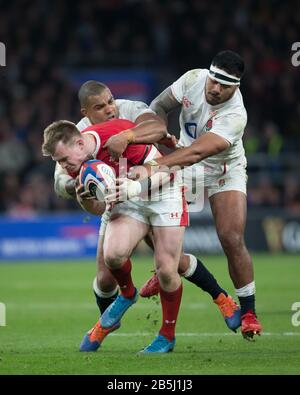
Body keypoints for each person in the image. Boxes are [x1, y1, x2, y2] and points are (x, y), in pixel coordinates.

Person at [54, 81, 241, 351]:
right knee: (107, 274)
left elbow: (157, 128)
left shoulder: (128, 108)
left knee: (170, 265)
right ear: (85, 112)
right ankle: (108, 319)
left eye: (110, 101)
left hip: (158, 183)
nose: (109, 109)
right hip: (122, 194)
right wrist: (79, 188)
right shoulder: (78, 136)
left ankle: (219, 298)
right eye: (100, 106)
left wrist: (129, 136)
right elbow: (61, 182)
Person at [105, 51, 262, 340]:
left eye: (224, 85)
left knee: (231, 237)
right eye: (214, 80)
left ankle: (249, 311)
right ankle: (172, 268)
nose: (215, 88)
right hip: (183, 160)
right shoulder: (193, 78)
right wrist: (158, 132)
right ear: (209, 73)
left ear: (236, 87)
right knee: (152, 219)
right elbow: (159, 105)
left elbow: (196, 153)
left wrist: (154, 166)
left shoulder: (235, 116)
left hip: (222, 170)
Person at [42, 118, 188, 353]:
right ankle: (128, 293)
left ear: (80, 144)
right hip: (129, 195)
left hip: (163, 190)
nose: (65, 167)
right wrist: (84, 197)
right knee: (113, 256)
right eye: (59, 162)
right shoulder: (80, 167)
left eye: (64, 160)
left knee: (167, 270)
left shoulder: (115, 137)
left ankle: (167, 336)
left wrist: (135, 187)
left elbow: (168, 169)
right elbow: (98, 209)